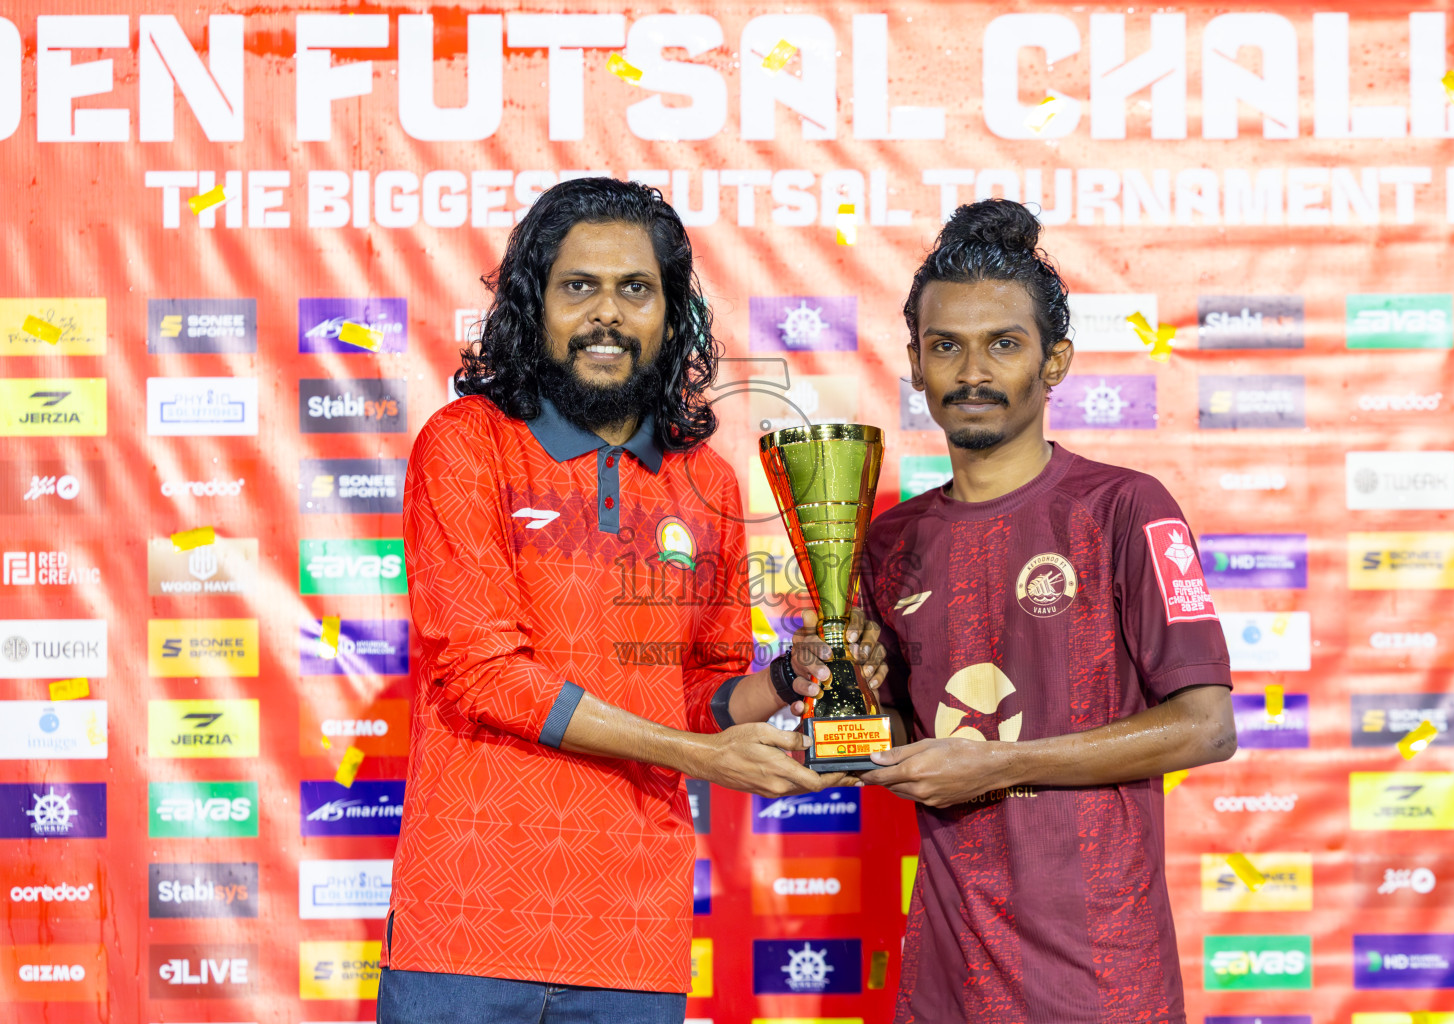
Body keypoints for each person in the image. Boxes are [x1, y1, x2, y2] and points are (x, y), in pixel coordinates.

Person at [378, 177, 885, 1024]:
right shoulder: (467, 443)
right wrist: (698, 760)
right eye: (579, 287)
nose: (606, 314)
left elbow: (700, 692)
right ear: (531, 303)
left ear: (671, 313)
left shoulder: (707, 480)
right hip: (464, 929)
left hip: (633, 937)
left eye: (635, 289)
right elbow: (483, 673)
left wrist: (797, 679)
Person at [858, 199, 1237, 1024]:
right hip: (946, 979)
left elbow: (1207, 727)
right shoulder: (888, 541)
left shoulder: (1127, 509)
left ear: (1054, 361)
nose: (971, 372)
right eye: (945, 347)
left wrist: (996, 762)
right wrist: (840, 698)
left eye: (1004, 344)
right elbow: (889, 737)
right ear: (916, 366)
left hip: (1101, 977)